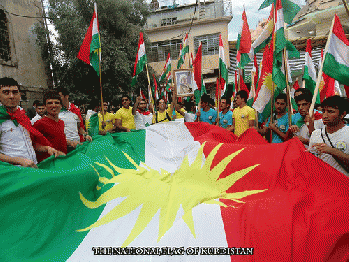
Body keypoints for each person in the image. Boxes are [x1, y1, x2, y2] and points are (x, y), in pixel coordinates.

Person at [0, 77, 59, 167]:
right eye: (6, 92)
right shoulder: (1, 119)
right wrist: (19, 161)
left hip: (33, 168)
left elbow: (30, 144)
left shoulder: (23, 116)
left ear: (20, 95)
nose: (11, 96)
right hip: (13, 173)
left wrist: (46, 148)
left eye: (15, 92)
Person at [309, 96, 349, 176]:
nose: (325, 116)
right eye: (323, 111)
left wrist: (332, 151)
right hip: (322, 184)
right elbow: (310, 160)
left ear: (342, 114)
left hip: (343, 185)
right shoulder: (316, 134)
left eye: (330, 112)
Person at [33, 91, 67, 161]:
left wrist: (73, 143)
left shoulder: (61, 122)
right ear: (45, 106)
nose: (54, 105)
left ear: (61, 106)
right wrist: (47, 149)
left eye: (57, 103)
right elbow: (33, 145)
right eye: (50, 103)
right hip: (49, 164)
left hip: (63, 161)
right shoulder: (39, 123)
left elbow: (58, 139)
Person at [57, 87, 92, 152]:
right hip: (64, 148)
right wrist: (69, 143)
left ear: (66, 96)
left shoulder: (75, 111)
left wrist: (85, 135)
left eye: (60, 96)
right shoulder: (55, 113)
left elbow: (79, 127)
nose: (58, 99)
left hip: (77, 146)